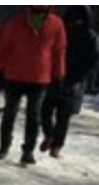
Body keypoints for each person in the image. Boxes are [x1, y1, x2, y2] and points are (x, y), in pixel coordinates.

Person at [0, 6, 67, 166]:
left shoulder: (16, 21)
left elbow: (3, 47)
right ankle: (27, 152)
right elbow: (59, 51)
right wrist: (58, 75)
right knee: (32, 116)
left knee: (11, 113)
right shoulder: (55, 23)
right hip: (36, 76)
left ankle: (5, 148)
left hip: (20, 75)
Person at [40, 6, 99, 159]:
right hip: (71, 79)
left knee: (49, 110)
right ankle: (56, 144)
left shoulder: (62, 31)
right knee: (62, 116)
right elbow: (93, 60)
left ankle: (51, 137)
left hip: (61, 77)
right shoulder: (89, 35)